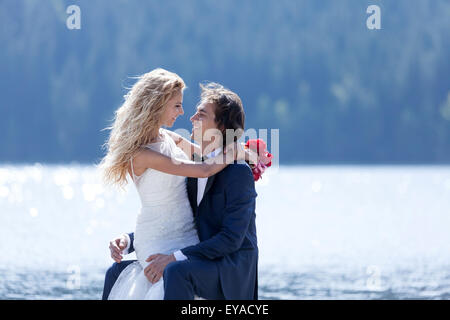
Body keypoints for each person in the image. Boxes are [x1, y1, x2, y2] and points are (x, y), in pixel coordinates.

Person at [101, 69, 258, 300]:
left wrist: (245, 153)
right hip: (168, 240)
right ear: (158, 104)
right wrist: (235, 150)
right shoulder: (151, 155)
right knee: (118, 272)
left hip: (219, 261)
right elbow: (202, 171)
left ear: (221, 127)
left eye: (199, 114)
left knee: (173, 270)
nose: (186, 115)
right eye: (177, 105)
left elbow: (202, 166)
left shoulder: (230, 170)